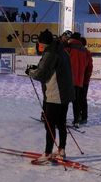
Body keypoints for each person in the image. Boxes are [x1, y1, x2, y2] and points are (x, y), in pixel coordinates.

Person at [26, 29, 75, 163]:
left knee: (50, 124)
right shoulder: (60, 49)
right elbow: (50, 68)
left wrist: (30, 71)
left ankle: (47, 153)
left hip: (55, 94)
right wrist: (37, 67)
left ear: (44, 43)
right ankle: (61, 150)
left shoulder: (50, 52)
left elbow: (42, 74)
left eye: (40, 44)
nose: (39, 46)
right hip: (65, 93)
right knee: (61, 123)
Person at [67, 32, 88, 128]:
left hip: (70, 78)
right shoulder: (84, 50)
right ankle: (76, 120)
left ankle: (61, 119)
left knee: (65, 100)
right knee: (77, 101)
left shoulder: (70, 47)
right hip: (80, 79)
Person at [80, 37, 93, 124]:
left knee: (81, 99)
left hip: (83, 80)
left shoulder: (85, 53)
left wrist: (86, 78)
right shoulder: (87, 53)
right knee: (82, 99)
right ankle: (83, 116)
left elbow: (89, 67)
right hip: (83, 80)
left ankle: (83, 116)